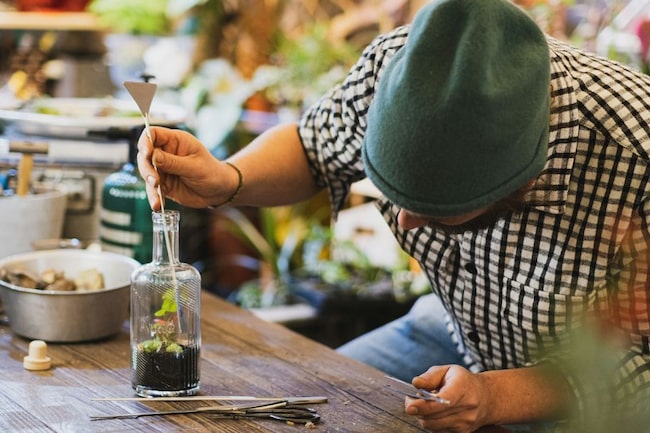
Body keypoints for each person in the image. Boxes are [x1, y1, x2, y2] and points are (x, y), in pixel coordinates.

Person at [137, 0, 650, 431]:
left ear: (523, 182)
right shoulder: (401, 68)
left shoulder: (634, 155)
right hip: (452, 327)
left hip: (588, 384)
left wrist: (499, 397)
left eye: (435, 209)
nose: (402, 222)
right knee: (300, 410)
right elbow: (314, 147)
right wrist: (227, 179)